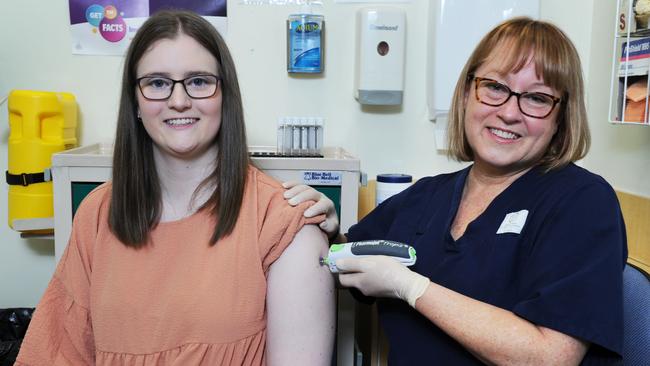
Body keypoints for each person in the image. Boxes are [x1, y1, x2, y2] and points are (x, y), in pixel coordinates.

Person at [285, 17, 627, 365]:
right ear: (467, 94)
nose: (509, 112)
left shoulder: (582, 202)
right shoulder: (427, 197)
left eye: (537, 98)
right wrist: (327, 231)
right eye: (494, 87)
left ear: (560, 118)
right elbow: (344, 261)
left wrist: (412, 288)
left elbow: (550, 357)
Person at [16, 10, 334, 366]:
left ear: (225, 96)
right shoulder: (97, 214)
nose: (179, 100)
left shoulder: (283, 224)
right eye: (156, 83)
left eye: (198, 81)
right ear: (135, 103)